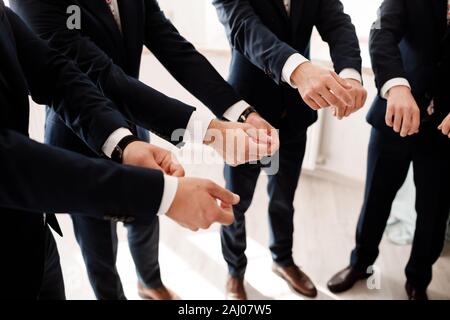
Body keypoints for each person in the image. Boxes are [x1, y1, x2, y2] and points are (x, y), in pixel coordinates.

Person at [11, 0, 278, 300]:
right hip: (76, 142)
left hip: (132, 131)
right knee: (99, 247)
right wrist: (210, 134)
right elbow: (93, 73)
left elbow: (172, 46)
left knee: (146, 221)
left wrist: (239, 113)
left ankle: (149, 282)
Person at [212, 0, 367, 299]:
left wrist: (349, 73)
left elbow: (336, 22)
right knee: (235, 202)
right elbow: (244, 28)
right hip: (246, 115)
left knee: (284, 199)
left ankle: (282, 260)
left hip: (294, 116)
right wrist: (299, 69)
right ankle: (234, 272)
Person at [327, 0, 450, 300]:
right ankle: (360, 265)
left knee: (434, 215)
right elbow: (381, 31)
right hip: (395, 114)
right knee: (375, 200)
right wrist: (396, 86)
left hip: (446, 130)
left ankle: (418, 281)